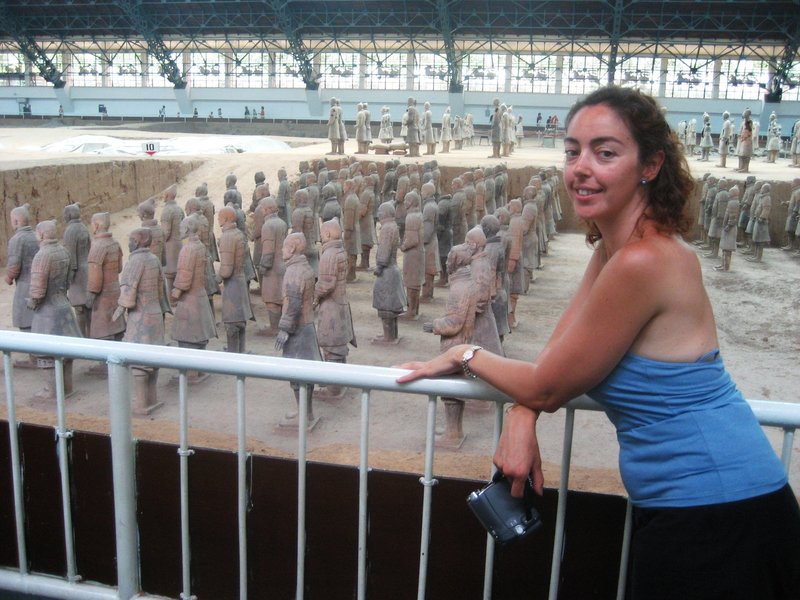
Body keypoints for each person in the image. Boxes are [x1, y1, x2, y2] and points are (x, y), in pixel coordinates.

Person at [397, 86, 800, 599]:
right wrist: (524, 413)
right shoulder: (615, 252)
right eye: (572, 151)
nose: (580, 167)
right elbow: (554, 368)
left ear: (650, 165)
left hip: (719, 509)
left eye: (605, 152)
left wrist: (463, 354)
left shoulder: (643, 261)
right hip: (701, 504)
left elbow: (545, 385)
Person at [114, 228, 169, 414]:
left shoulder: (135, 261)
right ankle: (152, 398)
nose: (129, 243)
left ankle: (142, 402)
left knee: (139, 361)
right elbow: (162, 289)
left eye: (131, 239)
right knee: (153, 358)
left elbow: (129, 291)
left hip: (140, 316)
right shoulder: (154, 259)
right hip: (155, 313)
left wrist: (120, 308)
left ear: (138, 242)